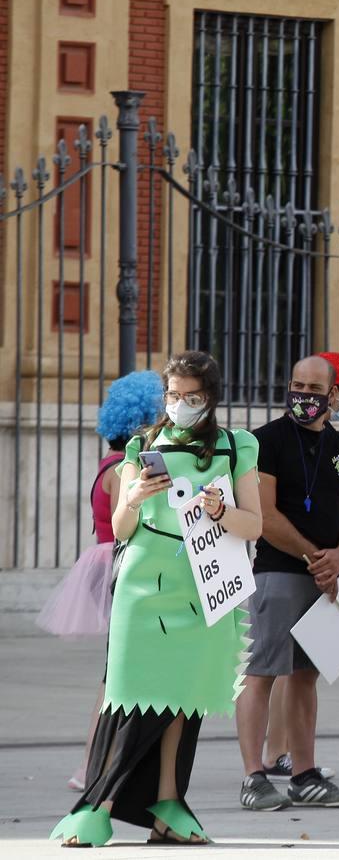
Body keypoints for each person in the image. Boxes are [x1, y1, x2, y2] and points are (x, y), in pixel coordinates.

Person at [51, 351, 263, 847]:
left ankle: (169, 804)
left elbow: (254, 524)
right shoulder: (141, 445)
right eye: (173, 395)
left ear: (209, 397)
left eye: (192, 396)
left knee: (183, 702)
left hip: (203, 586)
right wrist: (135, 496)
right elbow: (122, 529)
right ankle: (98, 805)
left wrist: (220, 510)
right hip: (142, 587)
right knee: (126, 698)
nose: (181, 404)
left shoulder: (236, 448)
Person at [235, 355, 339, 811]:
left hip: (325, 578)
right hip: (279, 573)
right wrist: (315, 557)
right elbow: (265, 516)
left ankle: (305, 774)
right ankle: (254, 776)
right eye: (296, 384)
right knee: (262, 671)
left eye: (314, 387)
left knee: (306, 676)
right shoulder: (264, 441)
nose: (303, 394)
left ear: (332, 395)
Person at [38, 371, 166, 791]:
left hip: (105, 561)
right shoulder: (123, 470)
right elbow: (132, 524)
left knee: (121, 672)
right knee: (117, 676)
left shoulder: (106, 463)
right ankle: (93, 767)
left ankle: (109, 764)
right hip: (121, 565)